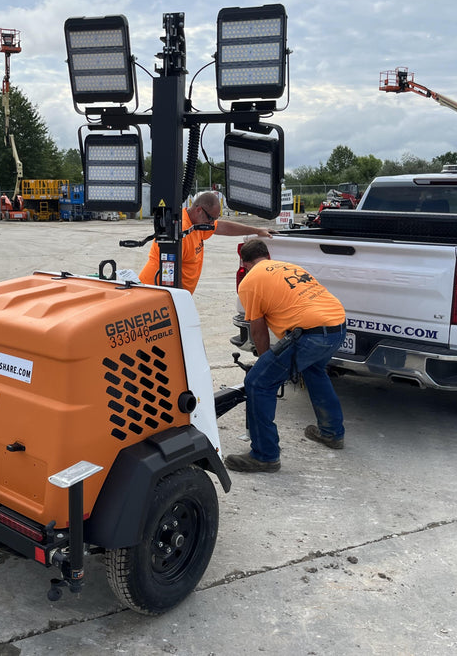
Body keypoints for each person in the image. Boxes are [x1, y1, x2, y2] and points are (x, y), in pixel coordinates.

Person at [224, 239, 347, 473]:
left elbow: (258, 329)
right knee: (313, 370)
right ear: (267, 256)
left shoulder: (250, 281)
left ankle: (265, 455)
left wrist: (263, 361)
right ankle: (332, 433)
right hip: (337, 325)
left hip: (310, 334)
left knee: (258, 383)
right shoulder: (289, 267)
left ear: (245, 262)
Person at [138, 191, 275, 293]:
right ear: (199, 210)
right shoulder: (181, 231)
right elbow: (170, 275)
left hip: (172, 295)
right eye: (211, 219)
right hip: (154, 293)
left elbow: (223, 227)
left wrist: (256, 230)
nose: (211, 223)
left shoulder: (198, 224)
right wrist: (180, 304)